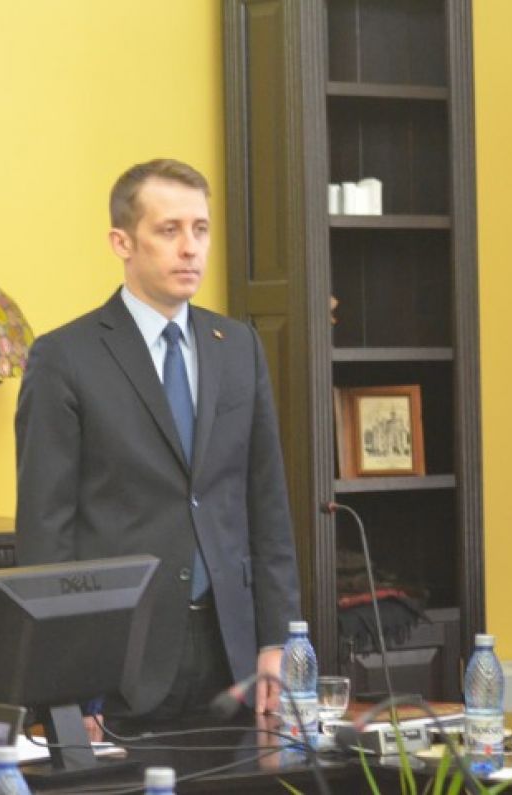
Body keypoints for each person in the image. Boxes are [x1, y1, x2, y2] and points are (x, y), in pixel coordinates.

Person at [15, 158, 301, 730]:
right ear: (121, 242)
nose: (190, 248)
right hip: (116, 662)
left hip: (233, 656)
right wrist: (67, 680)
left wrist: (279, 638)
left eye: (200, 229)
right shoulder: (65, 357)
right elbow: (46, 531)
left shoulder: (238, 346)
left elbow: (266, 502)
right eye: (169, 230)